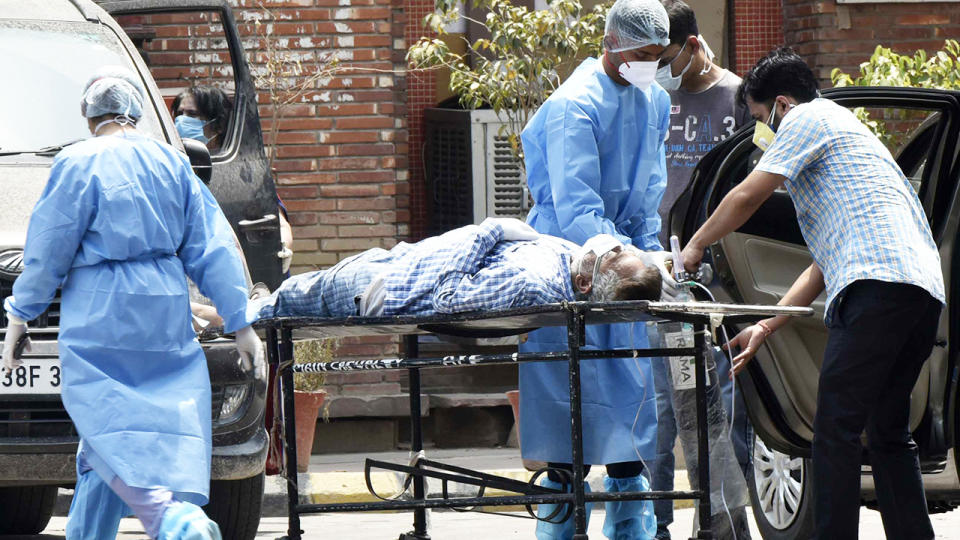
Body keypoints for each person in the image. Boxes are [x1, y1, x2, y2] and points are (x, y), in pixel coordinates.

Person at [681, 48, 944, 540]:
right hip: (920, 292)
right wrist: (765, 324)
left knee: (834, 431)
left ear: (781, 104)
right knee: (887, 432)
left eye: (760, 118)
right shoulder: (853, 140)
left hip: (875, 288)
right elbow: (821, 264)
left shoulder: (807, 117)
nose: (763, 131)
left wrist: (695, 245)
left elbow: (747, 195)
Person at [0, 66, 264, 540]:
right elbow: (212, 245)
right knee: (105, 441)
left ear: (89, 115)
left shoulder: (77, 163)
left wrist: (20, 314)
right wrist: (241, 321)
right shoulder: (171, 163)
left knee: (108, 431)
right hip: (164, 306)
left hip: (101, 313)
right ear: (137, 113)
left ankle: (181, 525)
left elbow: (47, 251)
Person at [516, 0, 676, 537]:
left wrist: (651, 257)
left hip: (625, 259)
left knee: (629, 402)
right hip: (569, 259)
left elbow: (648, 189)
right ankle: (562, 522)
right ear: (610, 42)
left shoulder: (654, 100)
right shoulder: (573, 105)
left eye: (657, 56)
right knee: (571, 407)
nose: (649, 65)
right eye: (640, 53)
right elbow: (575, 205)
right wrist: (619, 257)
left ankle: (633, 523)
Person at [649, 3, 752, 538]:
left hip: (720, 274)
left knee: (724, 407)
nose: (660, 67)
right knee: (665, 407)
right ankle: (658, 521)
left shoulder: (737, 97)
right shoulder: (655, 99)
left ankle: (721, 521)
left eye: (666, 57)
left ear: (693, 45)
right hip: (664, 267)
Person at [248, 218, 669, 321]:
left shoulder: (533, 283)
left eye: (615, 254)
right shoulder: (572, 263)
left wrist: (489, 231)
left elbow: (448, 300)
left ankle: (227, 319)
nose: (613, 244)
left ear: (585, 282)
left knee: (275, 307)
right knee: (276, 299)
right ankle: (231, 313)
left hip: (380, 285)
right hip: (396, 265)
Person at [172, 85, 232, 154]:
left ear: (219, 125)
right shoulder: (174, 156)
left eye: (192, 114)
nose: (181, 120)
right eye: (179, 114)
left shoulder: (227, 158)